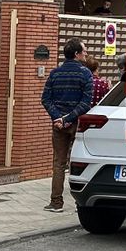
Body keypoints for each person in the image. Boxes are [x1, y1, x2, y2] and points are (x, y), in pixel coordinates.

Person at [40, 39, 94, 212]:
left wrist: (58, 118)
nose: (86, 53)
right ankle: (83, 203)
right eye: (84, 51)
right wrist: (69, 118)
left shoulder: (55, 73)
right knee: (81, 162)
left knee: (58, 163)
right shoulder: (85, 74)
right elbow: (86, 103)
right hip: (78, 123)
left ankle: (56, 202)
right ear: (77, 54)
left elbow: (45, 99)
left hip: (58, 126)